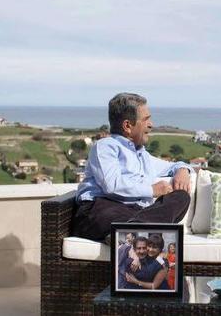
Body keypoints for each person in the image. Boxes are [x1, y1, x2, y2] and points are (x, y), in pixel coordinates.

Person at [72, 93, 194, 242]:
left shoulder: (143, 155)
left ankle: (130, 233)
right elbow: (111, 185)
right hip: (101, 208)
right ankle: (135, 232)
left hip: (135, 214)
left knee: (181, 197)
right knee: (120, 217)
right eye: (146, 119)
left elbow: (174, 166)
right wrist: (153, 190)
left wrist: (183, 170)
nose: (151, 124)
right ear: (128, 126)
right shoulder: (105, 147)